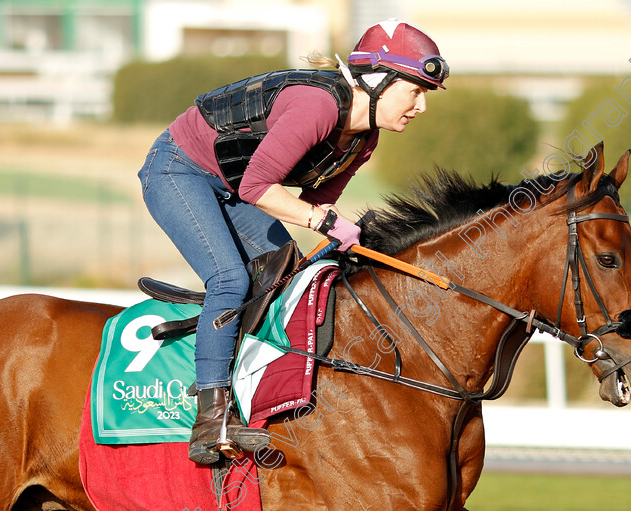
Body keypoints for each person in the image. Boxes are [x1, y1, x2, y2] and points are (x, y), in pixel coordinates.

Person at [137, 19, 449, 464]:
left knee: (290, 277)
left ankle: (256, 394)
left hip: (236, 183)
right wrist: (324, 222)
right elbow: (261, 190)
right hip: (179, 170)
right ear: (378, 81)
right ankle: (210, 419)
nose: (421, 106)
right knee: (228, 278)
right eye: (415, 91)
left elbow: (310, 204)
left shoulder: (364, 140)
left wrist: (338, 236)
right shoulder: (316, 107)